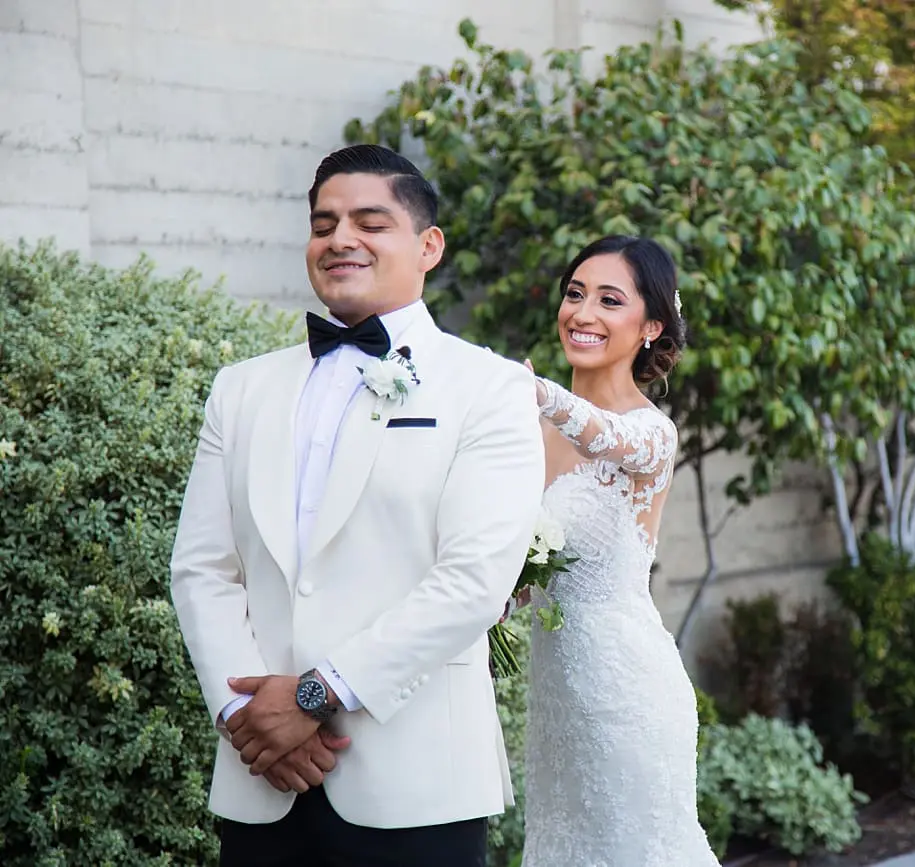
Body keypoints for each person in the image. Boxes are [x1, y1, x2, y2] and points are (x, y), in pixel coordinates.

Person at [170, 144, 545, 867]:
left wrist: (312, 696)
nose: (340, 239)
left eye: (370, 223)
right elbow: (202, 568)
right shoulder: (241, 389)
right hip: (262, 777)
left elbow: (473, 580)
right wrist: (245, 713)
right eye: (324, 224)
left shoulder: (489, 388)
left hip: (416, 784)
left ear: (429, 246)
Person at [519, 235, 719, 865]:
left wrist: (531, 389)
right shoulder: (524, 428)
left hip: (627, 692)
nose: (583, 313)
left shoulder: (651, 433)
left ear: (651, 326)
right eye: (575, 294)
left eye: (609, 300)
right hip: (556, 699)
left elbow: (605, 438)